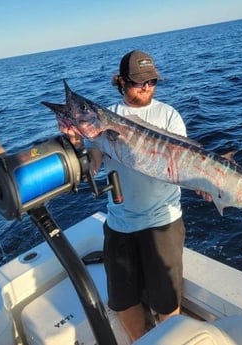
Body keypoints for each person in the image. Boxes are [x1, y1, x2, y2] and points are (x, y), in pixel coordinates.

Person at [76, 50, 190, 341]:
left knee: (167, 301)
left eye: (152, 81)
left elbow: (186, 161)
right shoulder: (104, 119)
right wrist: (78, 144)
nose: (147, 87)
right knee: (123, 301)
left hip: (163, 222)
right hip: (120, 224)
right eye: (140, 82)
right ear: (122, 82)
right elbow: (93, 163)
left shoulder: (169, 115)